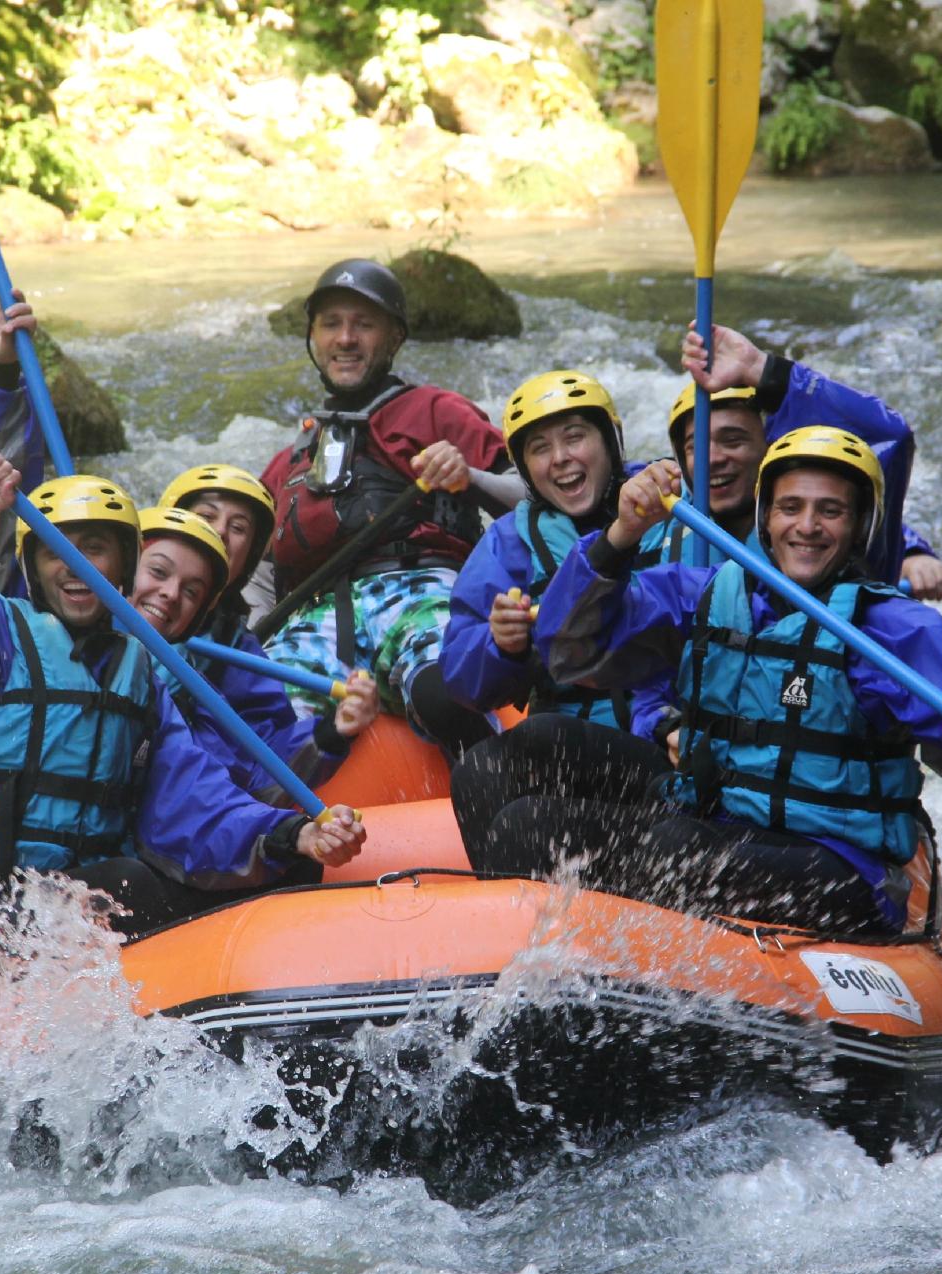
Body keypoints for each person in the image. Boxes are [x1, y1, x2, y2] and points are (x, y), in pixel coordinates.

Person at [482, 426, 942, 934]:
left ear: (858, 527)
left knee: (673, 845)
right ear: (766, 519)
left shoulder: (891, 628)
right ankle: (522, 977)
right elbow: (567, 644)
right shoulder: (706, 594)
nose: (807, 526)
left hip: (835, 865)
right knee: (524, 824)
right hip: (717, 822)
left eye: (831, 511)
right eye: (790, 507)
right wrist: (622, 534)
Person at [0, 451, 366, 939]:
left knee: (284, 865)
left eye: (94, 550)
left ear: (121, 568)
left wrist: (289, 833)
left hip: (69, 898)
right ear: (33, 564)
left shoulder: (137, 678)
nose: (74, 566)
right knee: (129, 880)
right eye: (59, 550)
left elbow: (193, 797)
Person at [257, 258, 519, 757]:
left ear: (394, 338)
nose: (346, 339)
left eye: (364, 324)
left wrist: (471, 475)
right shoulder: (290, 457)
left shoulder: (436, 410)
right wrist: (249, 640)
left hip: (421, 587)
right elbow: (259, 570)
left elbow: (534, 493)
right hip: (316, 615)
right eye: (331, 324)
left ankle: (503, 791)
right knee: (259, 717)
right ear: (313, 336)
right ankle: (286, 830)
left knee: (444, 694)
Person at [442, 370, 674, 866]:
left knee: (537, 742)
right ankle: (514, 918)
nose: (561, 458)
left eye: (575, 436)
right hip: (573, 752)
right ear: (525, 469)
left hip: (658, 746)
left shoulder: (671, 505)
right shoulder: (510, 539)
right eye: (540, 448)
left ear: (610, 442)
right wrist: (501, 645)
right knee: (476, 773)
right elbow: (461, 677)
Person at [659, 323, 942, 599]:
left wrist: (764, 371)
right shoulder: (657, 506)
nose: (712, 459)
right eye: (695, 446)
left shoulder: (821, 538)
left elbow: (889, 438)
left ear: (770, 447)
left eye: (734, 441)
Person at [130, 504, 378, 806]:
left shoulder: (207, 671)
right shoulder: (70, 633)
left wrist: (331, 732)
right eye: (206, 516)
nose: (219, 531)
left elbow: (248, 773)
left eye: (238, 527)